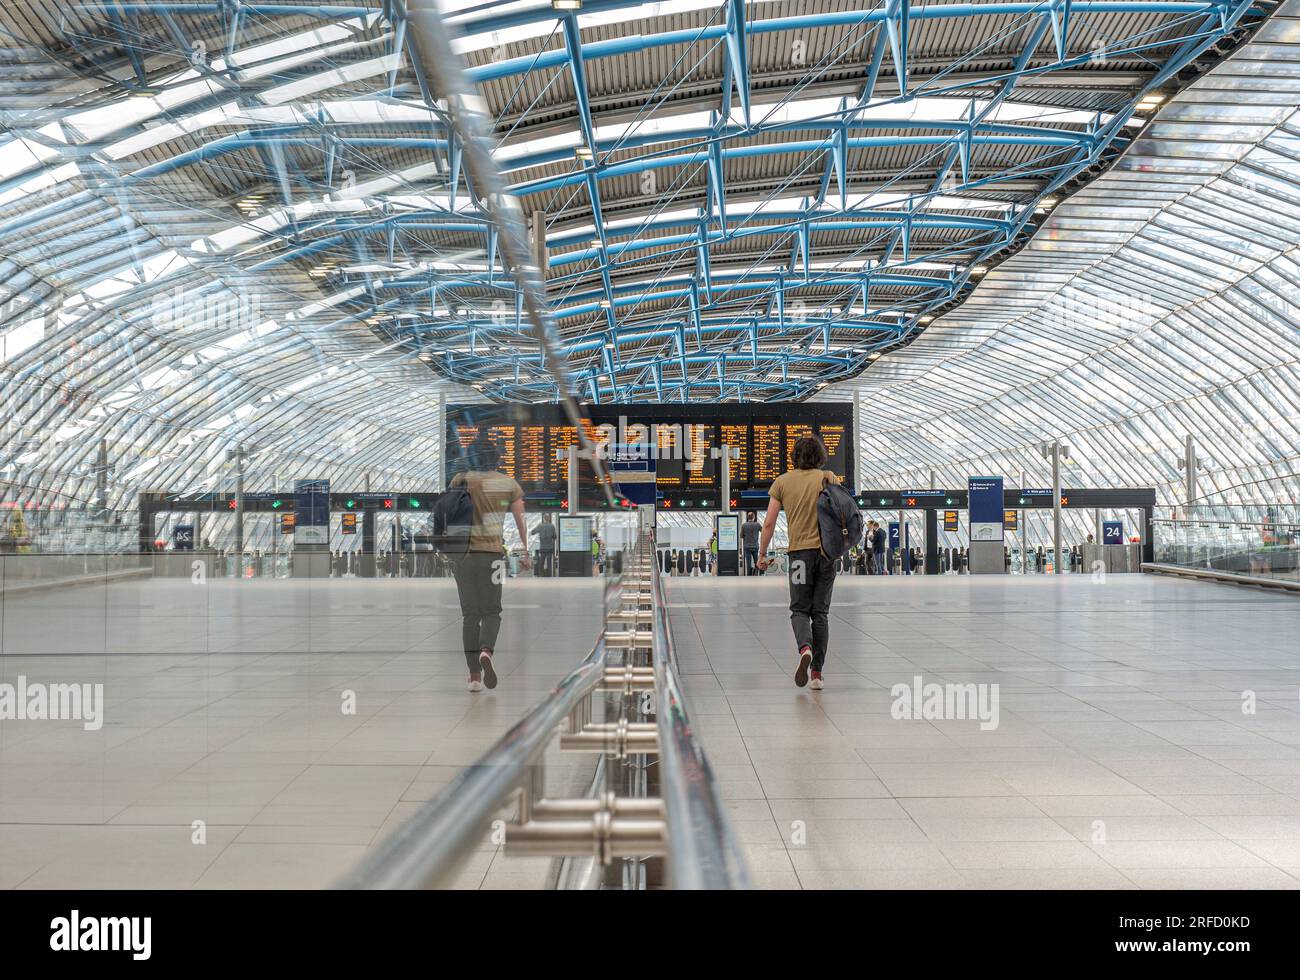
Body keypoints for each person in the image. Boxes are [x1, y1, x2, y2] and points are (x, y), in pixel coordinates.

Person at [756, 435, 838, 691]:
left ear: (795, 456)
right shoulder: (828, 478)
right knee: (821, 614)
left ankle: (805, 647)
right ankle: (816, 674)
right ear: (820, 456)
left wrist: (762, 554)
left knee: (800, 610)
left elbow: (769, 522)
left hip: (799, 555)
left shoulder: (782, 482)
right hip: (826, 554)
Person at [450, 434, 530, 693]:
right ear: (496, 458)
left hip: (463, 557)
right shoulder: (509, 484)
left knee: (470, 615)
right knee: (492, 611)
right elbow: (520, 520)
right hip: (493, 556)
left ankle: (474, 676)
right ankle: (486, 651)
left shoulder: (460, 479)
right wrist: (526, 550)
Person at [741, 510, 762, 575]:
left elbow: (741, 535)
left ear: (748, 517)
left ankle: (749, 575)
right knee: (756, 561)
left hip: (747, 546)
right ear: (754, 517)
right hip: (755, 546)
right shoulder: (757, 524)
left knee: (748, 562)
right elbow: (763, 531)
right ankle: (757, 574)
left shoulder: (744, 525)